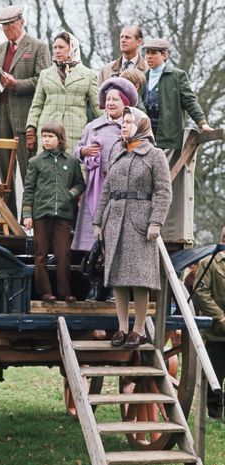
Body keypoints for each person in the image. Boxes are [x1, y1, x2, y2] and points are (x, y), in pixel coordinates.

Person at [93, 106, 172, 347]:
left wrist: (156, 221)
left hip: (140, 223)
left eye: (128, 122)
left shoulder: (154, 154)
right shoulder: (117, 152)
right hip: (114, 221)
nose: (123, 125)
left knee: (139, 279)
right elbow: (106, 191)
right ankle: (121, 328)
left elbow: (163, 192)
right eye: (123, 122)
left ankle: (138, 330)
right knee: (118, 278)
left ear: (141, 125)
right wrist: (98, 222)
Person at [71, 77, 138, 301]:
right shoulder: (93, 126)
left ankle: (112, 287)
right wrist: (84, 152)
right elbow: (76, 150)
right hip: (95, 191)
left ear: (125, 102)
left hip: (121, 193)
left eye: (115, 99)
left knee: (114, 240)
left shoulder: (133, 126)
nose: (110, 103)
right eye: (108, 99)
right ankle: (95, 286)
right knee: (94, 240)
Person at [0, 4, 51, 217]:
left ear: (21, 22)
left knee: (28, 172)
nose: (6, 29)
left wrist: (17, 84)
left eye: (9, 25)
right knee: (5, 175)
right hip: (0, 114)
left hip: (25, 117)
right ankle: (9, 223)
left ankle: (32, 221)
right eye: (3, 26)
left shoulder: (38, 47)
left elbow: (43, 81)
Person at [22, 121, 85, 303]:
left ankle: (64, 292)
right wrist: (27, 215)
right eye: (44, 137)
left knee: (63, 253)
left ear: (60, 139)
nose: (46, 140)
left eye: (50, 136)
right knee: (40, 254)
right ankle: (45, 292)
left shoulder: (71, 162)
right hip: (41, 213)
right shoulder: (36, 162)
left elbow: (80, 183)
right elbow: (29, 189)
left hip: (63, 215)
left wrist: (70, 194)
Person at [26, 31, 102, 156]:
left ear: (72, 48)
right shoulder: (45, 74)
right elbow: (36, 105)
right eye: (55, 47)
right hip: (47, 131)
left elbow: (98, 107)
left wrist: (111, 127)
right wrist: (30, 128)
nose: (57, 51)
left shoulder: (88, 75)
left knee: (72, 170)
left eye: (61, 47)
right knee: (47, 169)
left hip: (74, 131)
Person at [142, 38, 212, 149]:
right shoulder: (142, 78)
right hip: (145, 138)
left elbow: (190, 101)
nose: (149, 56)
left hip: (169, 140)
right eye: (147, 53)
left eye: (154, 53)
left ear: (164, 55)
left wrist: (202, 123)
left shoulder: (177, 76)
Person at [192, 226, 225, 421]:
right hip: (217, 331)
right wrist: (220, 317)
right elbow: (200, 292)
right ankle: (215, 415)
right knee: (216, 373)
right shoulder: (210, 262)